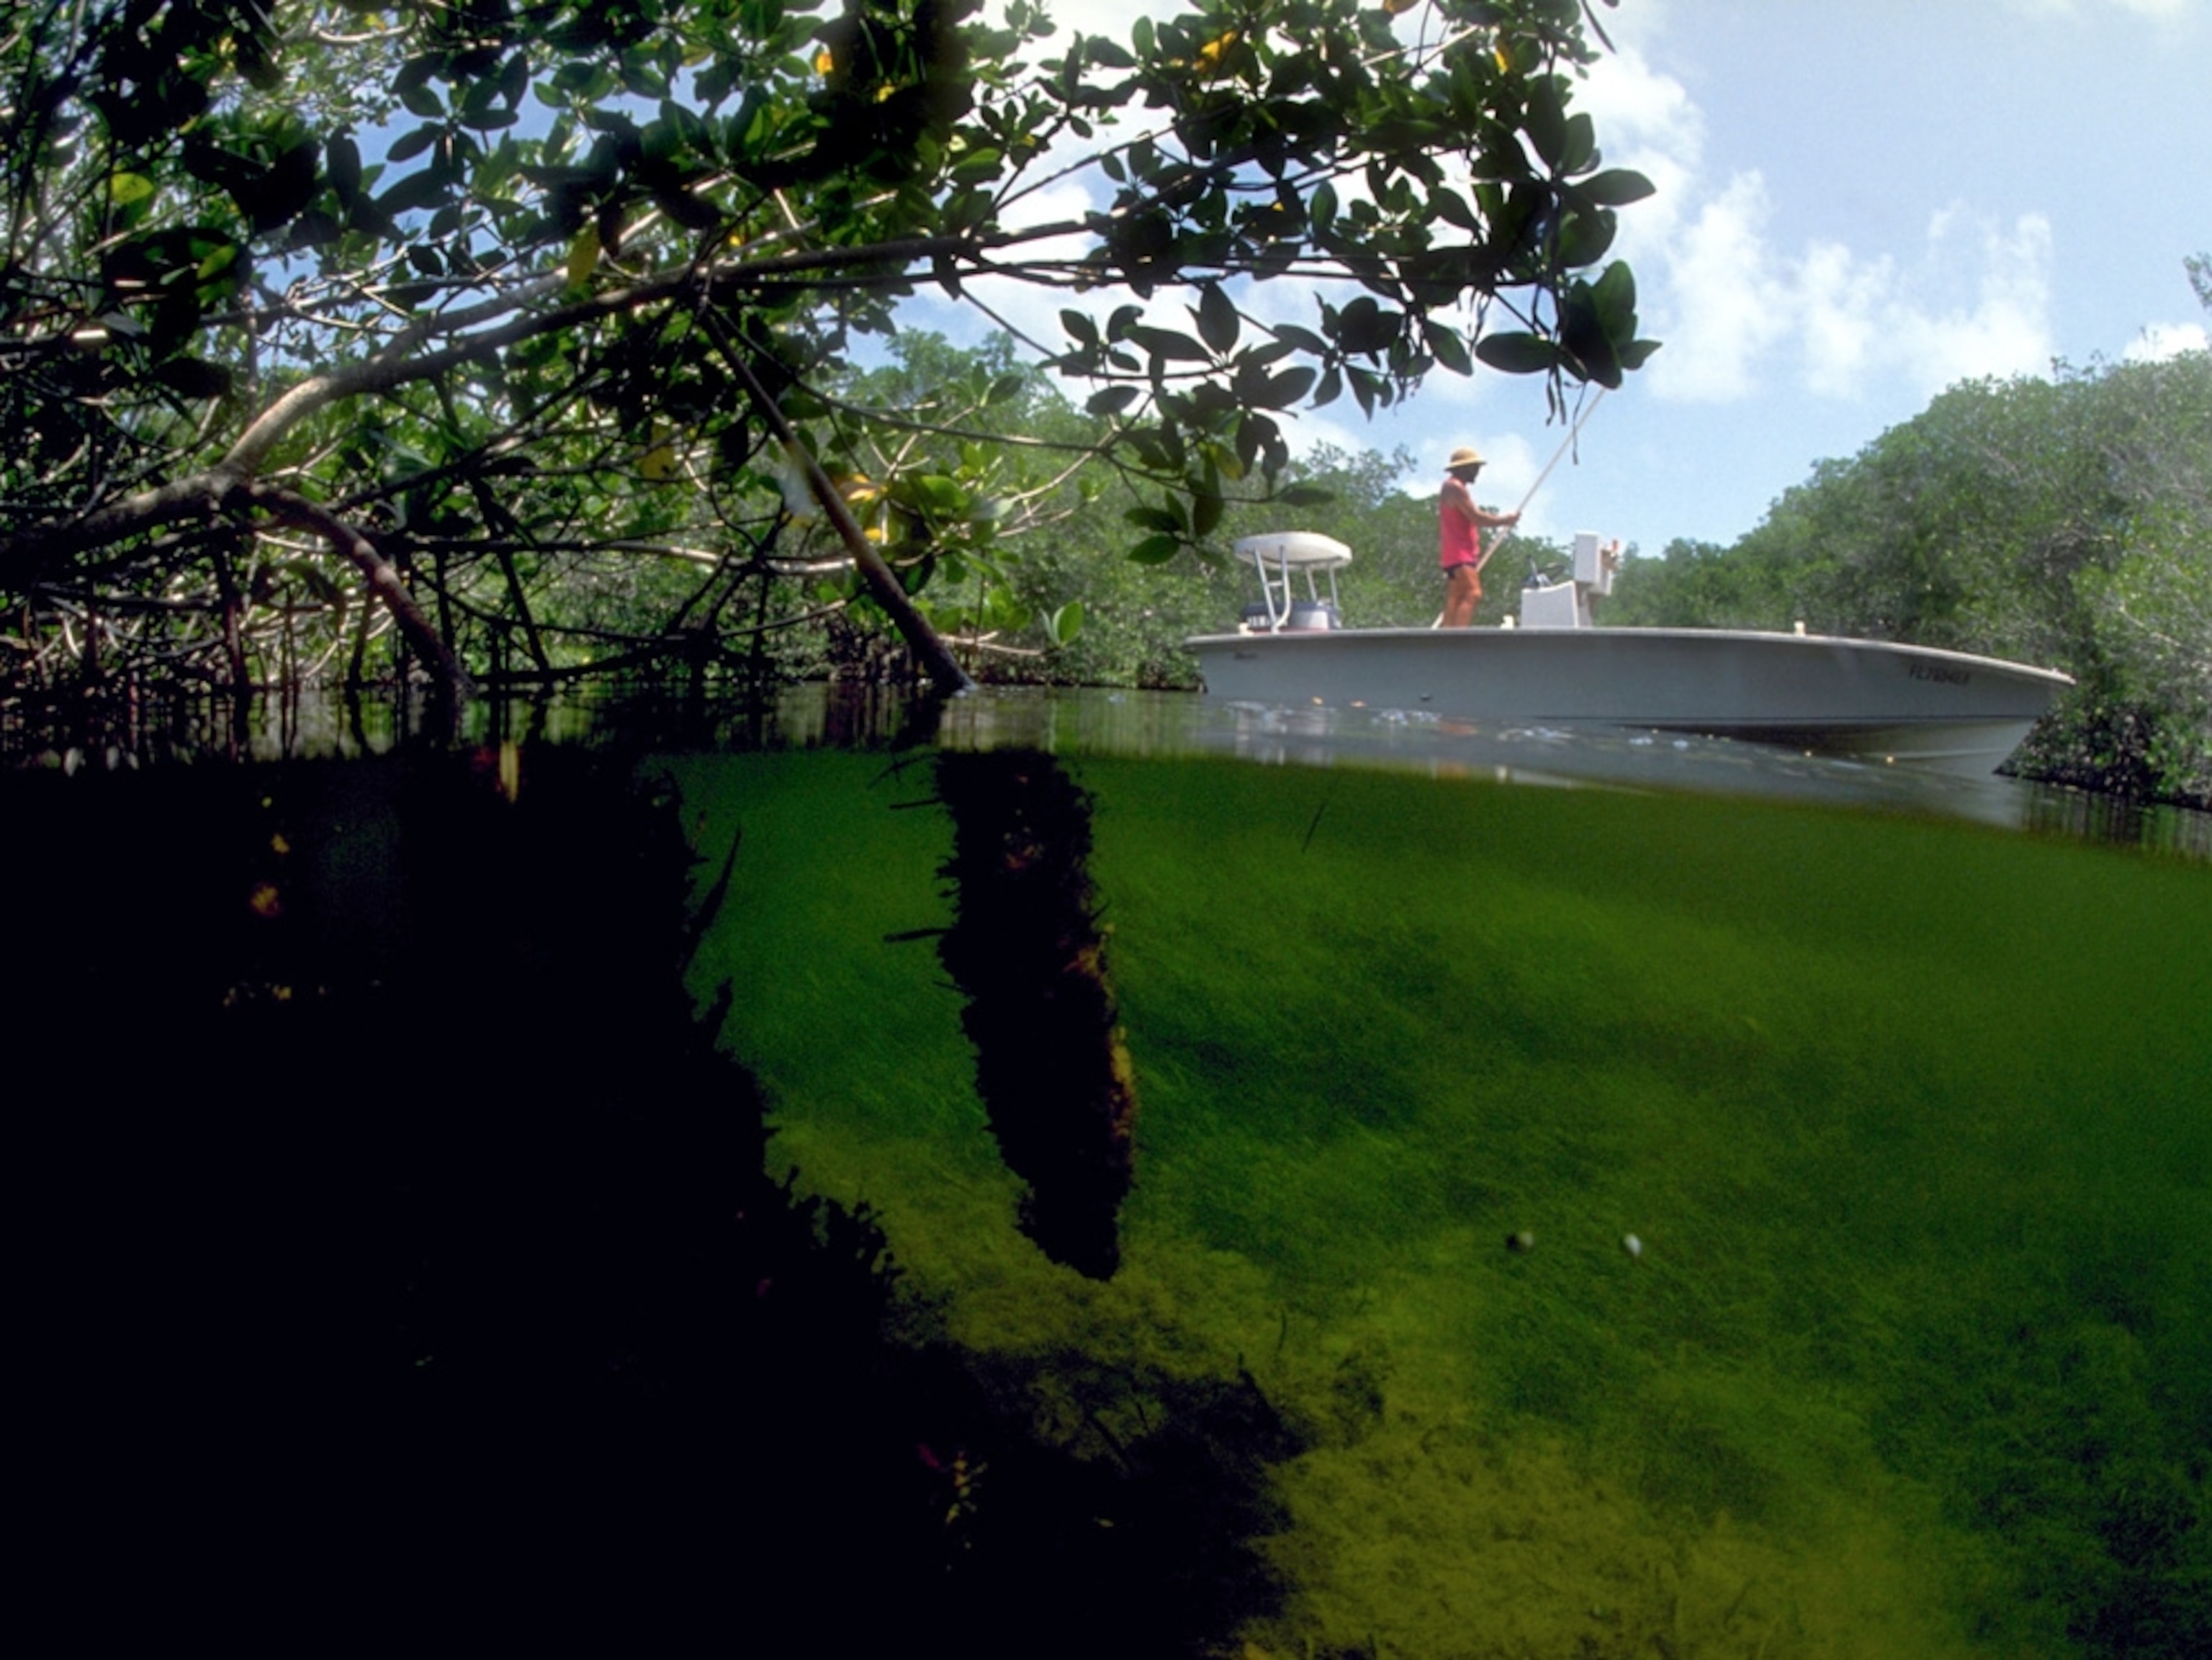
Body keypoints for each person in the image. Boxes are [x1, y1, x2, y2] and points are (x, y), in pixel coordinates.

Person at [1437, 446, 1520, 628]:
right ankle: (1458, 636)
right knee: (1473, 592)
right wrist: (1506, 520)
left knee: (1456, 596)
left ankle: (1446, 638)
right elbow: (1477, 518)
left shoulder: (1453, 487)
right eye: (1474, 467)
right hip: (1460, 554)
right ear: (1462, 468)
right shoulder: (1454, 487)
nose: (1477, 472)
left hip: (1455, 553)